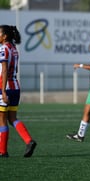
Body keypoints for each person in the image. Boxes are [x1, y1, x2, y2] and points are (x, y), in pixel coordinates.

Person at [0, 25, 37, 157]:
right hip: (15, 86)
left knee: (2, 120)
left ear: (4, 36)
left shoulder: (4, 49)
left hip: (6, 88)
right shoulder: (14, 48)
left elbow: (4, 70)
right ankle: (29, 140)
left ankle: (3, 151)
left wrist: (3, 91)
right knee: (12, 118)